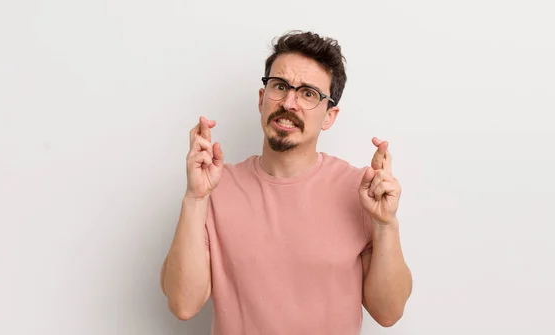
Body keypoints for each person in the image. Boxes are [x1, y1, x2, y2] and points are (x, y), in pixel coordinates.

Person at [160, 31, 413, 335]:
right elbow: (183, 304)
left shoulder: (361, 191)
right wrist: (195, 198)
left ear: (329, 115)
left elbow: (388, 313)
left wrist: (386, 225)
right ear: (262, 99)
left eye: (308, 93)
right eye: (279, 87)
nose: (289, 103)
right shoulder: (215, 187)